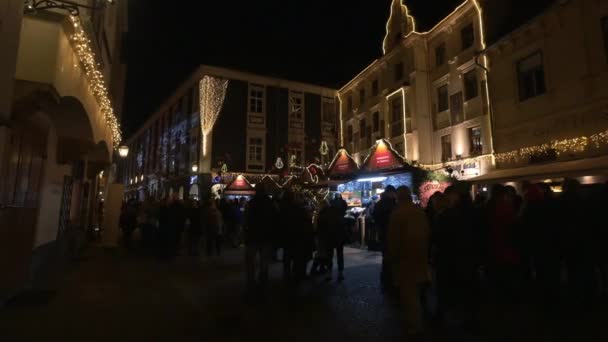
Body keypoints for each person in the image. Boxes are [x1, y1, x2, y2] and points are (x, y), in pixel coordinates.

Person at [387, 186, 431, 338]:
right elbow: (427, 232)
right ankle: (418, 322)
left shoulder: (398, 214)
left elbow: (394, 240)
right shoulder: (419, 211)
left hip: (404, 259)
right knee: (417, 292)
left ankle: (414, 327)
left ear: (398, 198)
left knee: (409, 295)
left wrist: (393, 258)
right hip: (420, 256)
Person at [433, 186, 479, 331]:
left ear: (455, 196)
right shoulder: (469, 211)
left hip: (453, 258)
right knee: (465, 289)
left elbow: (442, 238)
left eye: (449, 196)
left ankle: (451, 318)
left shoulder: (451, 214)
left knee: (452, 288)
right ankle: (467, 319)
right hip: (465, 257)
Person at [244, 187, 276, 296]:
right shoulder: (271, 204)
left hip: (253, 235)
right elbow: (274, 219)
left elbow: (246, 220)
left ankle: (251, 281)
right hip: (266, 236)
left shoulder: (251, 204)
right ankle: (263, 280)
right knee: (264, 261)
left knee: (251, 261)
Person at [373, 185, 397, 290]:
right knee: (390, 256)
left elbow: (375, 217)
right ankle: (389, 279)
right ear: (390, 192)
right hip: (390, 233)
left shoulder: (379, 204)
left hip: (383, 233)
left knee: (386, 256)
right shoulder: (391, 204)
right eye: (393, 193)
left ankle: (386, 278)